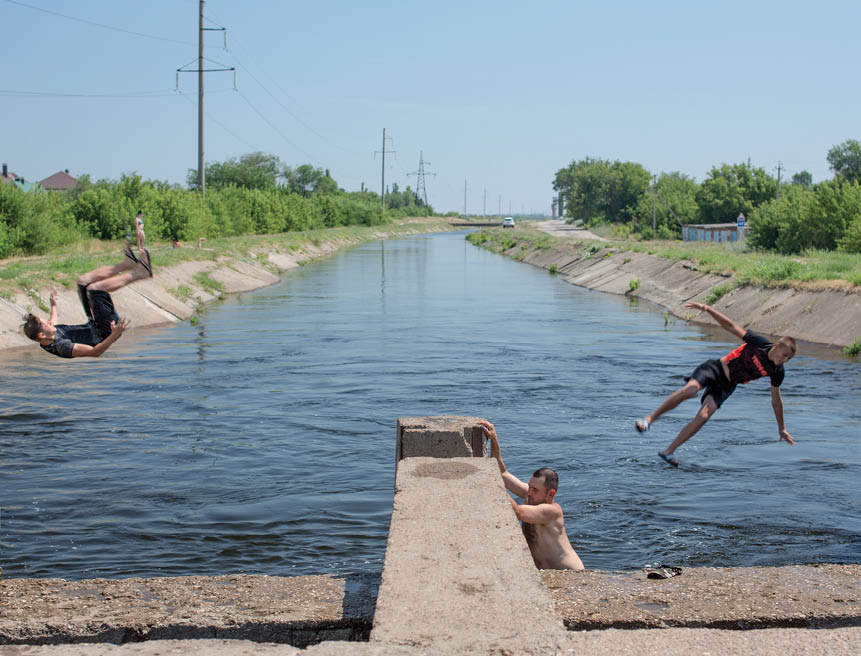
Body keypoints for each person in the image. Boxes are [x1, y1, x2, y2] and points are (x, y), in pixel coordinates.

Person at [635, 301, 797, 467]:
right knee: (690, 391)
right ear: (776, 346)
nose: (785, 360)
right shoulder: (759, 343)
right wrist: (707, 308)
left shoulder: (778, 372)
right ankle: (648, 419)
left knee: (704, 416)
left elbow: (776, 400)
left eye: (788, 358)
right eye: (784, 355)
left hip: (727, 385)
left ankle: (668, 451)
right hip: (715, 369)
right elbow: (730, 326)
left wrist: (781, 428)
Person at [478, 419, 585, 571]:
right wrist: (494, 440)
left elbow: (518, 512)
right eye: (529, 487)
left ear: (550, 494)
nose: (529, 492)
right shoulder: (531, 497)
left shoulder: (552, 511)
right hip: (545, 572)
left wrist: (490, 482)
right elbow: (502, 473)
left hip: (570, 573)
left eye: (535, 490)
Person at [21, 245, 153, 358]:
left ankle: (127, 264)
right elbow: (95, 352)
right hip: (106, 332)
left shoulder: (46, 335)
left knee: (82, 281)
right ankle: (141, 273)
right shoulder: (62, 346)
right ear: (42, 334)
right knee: (96, 288)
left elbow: (52, 321)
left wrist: (53, 305)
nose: (49, 323)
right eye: (46, 324)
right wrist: (115, 334)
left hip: (92, 324)